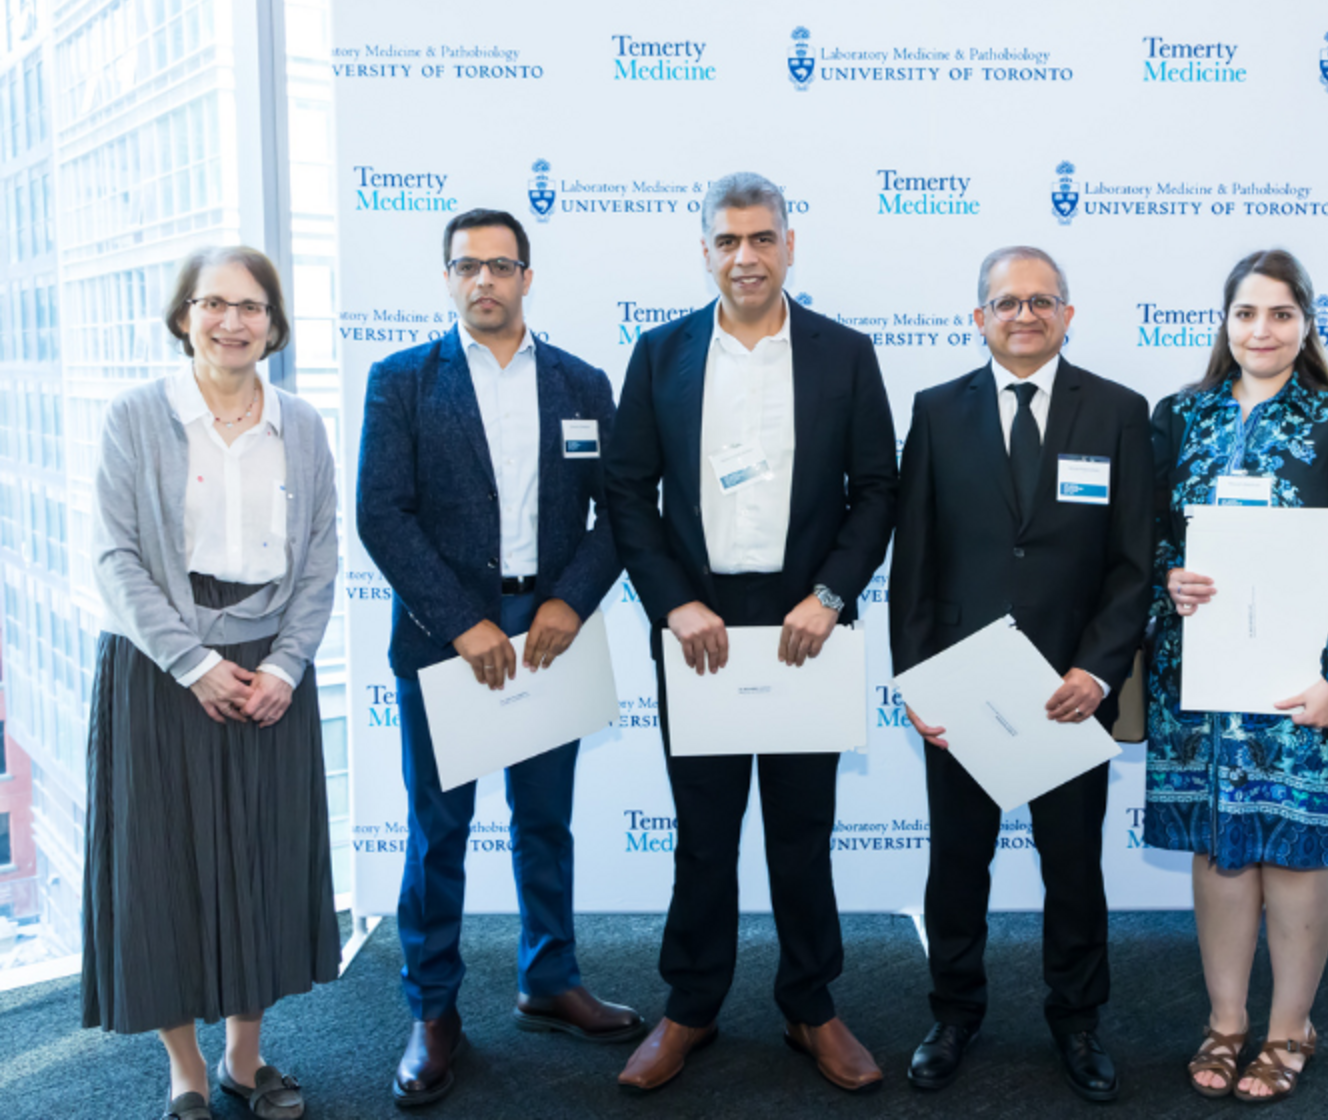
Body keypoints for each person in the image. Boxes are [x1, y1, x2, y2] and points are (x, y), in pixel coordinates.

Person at [605, 172, 898, 1095]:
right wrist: (672, 604)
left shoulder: (845, 354)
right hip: (699, 625)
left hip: (807, 617)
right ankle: (690, 1006)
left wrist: (832, 595)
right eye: (728, 241)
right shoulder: (658, 356)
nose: (745, 257)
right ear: (705, 252)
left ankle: (810, 1006)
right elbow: (624, 493)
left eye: (761, 239)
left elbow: (877, 491)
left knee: (803, 831)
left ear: (789, 245)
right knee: (703, 831)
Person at [357, 207, 641, 1108]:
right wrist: (460, 624)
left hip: (553, 627)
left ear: (528, 276)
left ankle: (549, 980)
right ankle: (433, 1012)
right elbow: (382, 514)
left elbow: (621, 511)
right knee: (438, 834)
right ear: (447, 279)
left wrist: (568, 600)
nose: (483, 280)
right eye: (465, 266)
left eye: (500, 265)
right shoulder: (401, 380)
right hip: (450, 637)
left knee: (544, 823)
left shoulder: (584, 382)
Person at [889, 245, 1154, 1103]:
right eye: (1007, 302)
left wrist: (1100, 670)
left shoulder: (1118, 412)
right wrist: (919, 685)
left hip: (1068, 694)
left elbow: (1133, 566)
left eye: (1043, 301)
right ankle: (954, 1013)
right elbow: (915, 565)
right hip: (963, 691)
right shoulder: (935, 412)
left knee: (1074, 867)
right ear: (979, 318)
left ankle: (1078, 1022)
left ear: (1069, 315)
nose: (1025, 315)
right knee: (956, 865)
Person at [83, 246, 339, 1120]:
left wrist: (286, 666)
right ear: (183, 315)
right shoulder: (134, 416)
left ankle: (243, 1058)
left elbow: (320, 561)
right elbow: (116, 557)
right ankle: (185, 1069)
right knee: (166, 870)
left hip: (271, 670)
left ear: (274, 323)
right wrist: (190, 663)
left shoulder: (302, 425)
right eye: (214, 304)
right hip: (160, 672)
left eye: (252, 306)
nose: (233, 321)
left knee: (259, 867)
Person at [1142, 248, 1328, 1104]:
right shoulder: (1178, 416)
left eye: (1281, 314)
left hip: (1305, 684)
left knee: (1294, 855)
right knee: (1221, 855)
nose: (1262, 330)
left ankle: (1289, 1029)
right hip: (1206, 678)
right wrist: (1165, 578)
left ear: (1307, 324)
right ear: (1224, 322)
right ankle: (1225, 1023)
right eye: (1246, 313)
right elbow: (1146, 542)